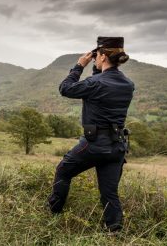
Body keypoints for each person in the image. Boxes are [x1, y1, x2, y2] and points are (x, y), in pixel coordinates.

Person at [48, 36, 134, 232]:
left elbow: (65, 88)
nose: (95, 58)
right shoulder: (128, 84)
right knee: (109, 192)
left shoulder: (96, 83)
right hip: (117, 146)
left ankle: (53, 213)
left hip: (94, 144)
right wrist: (97, 66)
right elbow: (102, 79)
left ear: (103, 56)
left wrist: (79, 65)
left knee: (63, 171)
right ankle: (114, 230)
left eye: (98, 56)